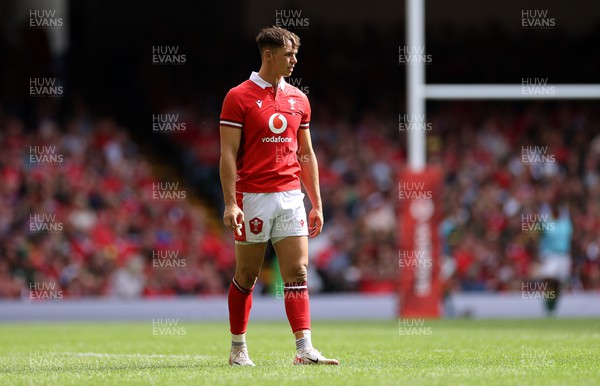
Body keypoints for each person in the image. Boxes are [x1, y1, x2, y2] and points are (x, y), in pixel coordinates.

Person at [219, 26, 339, 366]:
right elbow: (227, 155)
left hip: (290, 196)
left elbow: (307, 154)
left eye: (295, 54)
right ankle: (238, 348)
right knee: (247, 276)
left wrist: (315, 201)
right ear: (268, 56)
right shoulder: (238, 96)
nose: (294, 60)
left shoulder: (299, 99)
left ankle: (305, 349)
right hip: (252, 196)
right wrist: (230, 203)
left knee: (298, 272)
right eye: (289, 54)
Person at [537, 202, 573, 316]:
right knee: (549, 281)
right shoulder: (546, 222)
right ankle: (548, 308)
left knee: (559, 284)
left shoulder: (565, 222)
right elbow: (537, 232)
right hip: (550, 255)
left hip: (563, 256)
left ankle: (553, 308)